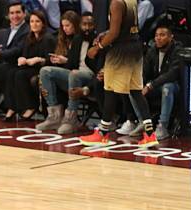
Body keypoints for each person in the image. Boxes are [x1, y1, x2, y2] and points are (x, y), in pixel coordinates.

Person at [79, 0, 158, 148]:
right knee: (136, 91)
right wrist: (106, 33)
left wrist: (98, 47)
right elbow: (125, 28)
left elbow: (115, 33)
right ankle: (149, 134)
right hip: (135, 48)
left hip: (121, 51)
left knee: (109, 90)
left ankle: (102, 133)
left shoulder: (116, 3)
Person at [37, 11, 97, 133]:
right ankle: (54, 116)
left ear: (94, 25)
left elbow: (100, 67)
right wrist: (62, 61)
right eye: (84, 24)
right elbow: (71, 65)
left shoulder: (99, 40)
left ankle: (71, 118)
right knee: (45, 71)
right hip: (74, 74)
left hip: (91, 77)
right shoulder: (77, 39)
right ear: (79, 25)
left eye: (89, 24)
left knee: (74, 73)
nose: (86, 27)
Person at [5, 9, 55, 121]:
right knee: (11, 72)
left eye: (37, 21)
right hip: (30, 67)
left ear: (43, 23)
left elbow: (51, 59)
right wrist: (22, 59)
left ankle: (30, 106)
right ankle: (12, 107)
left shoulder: (48, 38)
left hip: (42, 69)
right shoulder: (29, 37)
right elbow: (25, 55)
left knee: (20, 75)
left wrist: (38, 59)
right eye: (32, 21)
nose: (34, 24)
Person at [141, 24, 180, 140]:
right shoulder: (152, 51)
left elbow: (171, 75)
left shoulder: (177, 51)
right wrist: (141, 85)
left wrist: (150, 85)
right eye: (157, 35)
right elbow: (144, 72)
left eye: (162, 35)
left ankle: (163, 126)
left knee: (167, 87)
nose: (158, 38)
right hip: (155, 86)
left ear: (170, 37)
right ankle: (142, 122)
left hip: (174, 87)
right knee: (133, 88)